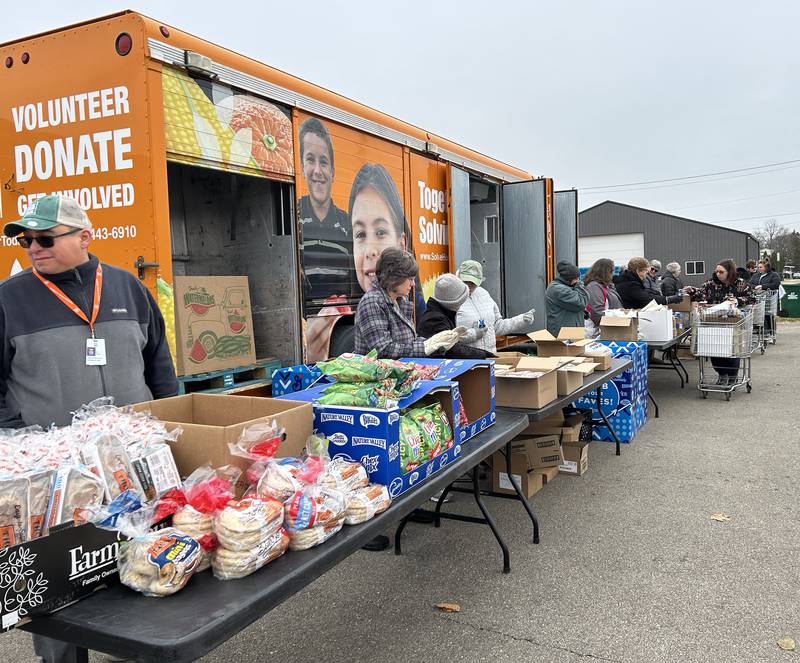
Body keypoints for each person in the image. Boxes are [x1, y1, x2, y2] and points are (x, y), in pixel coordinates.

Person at [0, 195, 179, 659]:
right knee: (60, 597)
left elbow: (159, 365)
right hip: (56, 482)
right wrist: (24, 444)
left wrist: (171, 422)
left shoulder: (127, 288)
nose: (32, 247)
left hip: (133, 468)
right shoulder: (8, 298)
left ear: (85, 237)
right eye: (24, 239)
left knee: (141, 570)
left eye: (43, 238)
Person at [298, 118, 354, 362]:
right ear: (302, 166)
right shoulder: (292, 215)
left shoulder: (348, 223)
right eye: (311, 160)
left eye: (324, 162)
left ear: (332, 171)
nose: (317, 171)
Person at [349, 163, 425, 320]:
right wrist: (421, 346)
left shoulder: (410, 304)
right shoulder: (370, 306)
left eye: (380, 232)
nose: (370, 251)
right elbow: (383, 346)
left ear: (402, 245)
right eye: (361, 234)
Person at [354, 248, 455, 359]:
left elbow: (409, 341)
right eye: (410, 279)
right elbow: (383, 350)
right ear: (394, 277)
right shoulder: (372, 302)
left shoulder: (400, 300)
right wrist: (426, 347)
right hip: (377, 374)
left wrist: (436, 343)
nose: (413, 284)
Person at [688, 258, 755, 384]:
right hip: (714, 321)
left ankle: (732, 375)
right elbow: (701, 294)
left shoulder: (740, 284)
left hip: (734, 322)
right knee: (715, 350)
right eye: (717, 271)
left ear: (729, 272)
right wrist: (691, 291)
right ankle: (722, 374)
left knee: (732, 350)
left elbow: (752, 298)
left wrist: (738, 301)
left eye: (721, 272)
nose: (718, 274)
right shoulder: (710, 283)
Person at [455, 260, 534, 354]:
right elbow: (446, 337)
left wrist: (521, 320)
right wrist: (475, 333)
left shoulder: (484, 294)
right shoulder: (451, 298)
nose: (469, 286)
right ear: (458, 277)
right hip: (466, 360)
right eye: (466, 282)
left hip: (490, 357)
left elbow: (497, 326)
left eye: (473, 283)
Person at [416, 274, 495, 359]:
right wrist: (483, 354)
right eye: (461, 302)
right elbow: (451, 349)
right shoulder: (435, 319)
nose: (461, 305)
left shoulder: (441, 314)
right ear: (453, 302)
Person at [616, 257, 685, 309]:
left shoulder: (629, 280)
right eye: (646, 271)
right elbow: (646, 299)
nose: (647, 273)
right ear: (638, 271)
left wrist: (651, 291)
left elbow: (642, 293)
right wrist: (669, 299)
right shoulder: (631, 284)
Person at [544, 261, 589, 336]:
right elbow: (581, 302)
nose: (578, 280)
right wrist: (579, 285)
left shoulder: (566, 287)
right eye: (576, 278)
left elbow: (571, 306)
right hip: (563, 335)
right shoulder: (558, 289)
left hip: (569, 333)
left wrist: (582, 313)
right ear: (569, 278)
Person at [583, 258, 622, 336]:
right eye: (612, 271)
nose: (613, 274)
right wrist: (615, 321)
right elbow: (596, 312)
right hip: (597, 332)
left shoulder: (607, 286)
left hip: (608, 329)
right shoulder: (594, 286)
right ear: (605, 272)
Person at [749, 259, 781, 337]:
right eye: (758, 267)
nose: (758, 269)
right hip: (757, 298)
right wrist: (754, 287)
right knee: (758, 315)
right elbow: (749, 284)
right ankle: (760, 330)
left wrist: (763, 286)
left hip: (768, 298)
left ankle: (770, 331)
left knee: (768, 315)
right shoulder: (755, 275)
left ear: (766, 267)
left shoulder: (773, 275)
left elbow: (776, 284)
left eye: (760, 267)